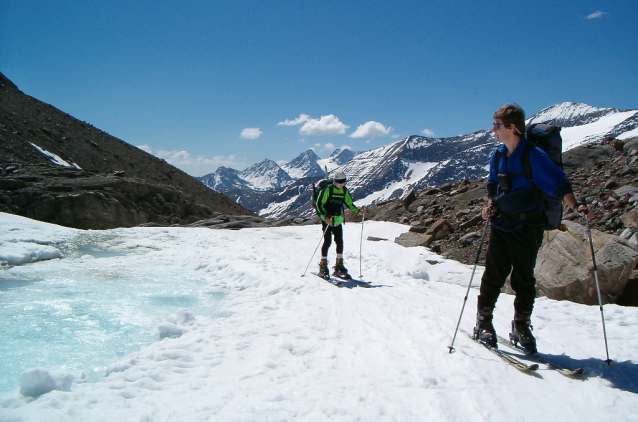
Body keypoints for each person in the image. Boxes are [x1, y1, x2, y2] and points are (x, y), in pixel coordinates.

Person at [475, 103, 594, 353]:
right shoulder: (497, 155)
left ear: (511, 127)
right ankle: (484, 321)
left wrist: (577, 206)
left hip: (528, 226)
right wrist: (490, 205)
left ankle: (521, 325)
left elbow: (559, 183)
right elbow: (493, 185)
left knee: (523, 279)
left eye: (497, 125)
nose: (493, 129)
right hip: (501, 223)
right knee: (493, 276)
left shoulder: (533, 156)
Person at [315, 171, 366, 279]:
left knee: (339, 242)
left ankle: (339, 264)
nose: (341, 184)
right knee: (327, 242)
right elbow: (319, 204)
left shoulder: (344, 191)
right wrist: (325, 217)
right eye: (339, 182)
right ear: (334, 181)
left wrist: (359, 211)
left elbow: (349, 203)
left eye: (343, 182)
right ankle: (323, 265)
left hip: (337, 219)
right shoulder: (327, 190)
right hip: (328, 220)